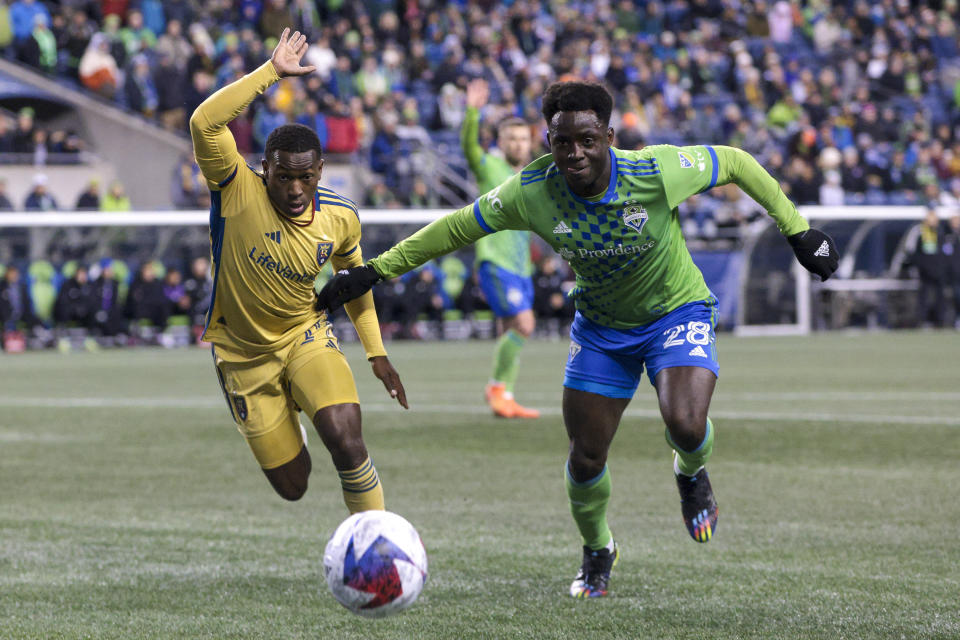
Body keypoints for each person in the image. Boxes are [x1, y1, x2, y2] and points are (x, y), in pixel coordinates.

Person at [317, 81, 839, 598]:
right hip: (602, 330)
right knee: (586, 457)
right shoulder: (531, 191)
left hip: (675, 312)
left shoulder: (655, 172)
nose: (575, 153)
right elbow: (455, 228)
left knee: (685, 422)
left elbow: (737, 162)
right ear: (549, 140)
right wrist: (374, 272)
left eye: (587, 139)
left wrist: (797, 230)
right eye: (562, 141)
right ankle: (598, 549)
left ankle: (691, 471)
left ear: (609, 136)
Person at [189, 28, 406, 511]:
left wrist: (377, 352)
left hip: (304, 335)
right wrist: (270, 73)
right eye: (283, 176)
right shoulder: (235, 186)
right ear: (264, 168)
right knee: (295, 485)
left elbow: (353, 285)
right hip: (242, 354)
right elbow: (204, 123)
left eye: (305, 177)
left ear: (321, 171)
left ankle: (379, 550)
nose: (293, 188)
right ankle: (287, 415)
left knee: (347, 440)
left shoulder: (341, 216)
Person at [461, 78, 539, 419]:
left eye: (523, 139)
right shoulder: (489, 167)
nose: (519, 144)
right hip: (495, 261)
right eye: (513, 139)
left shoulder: (533, 176)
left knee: (512, 330)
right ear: (501, 141)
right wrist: (473, 113)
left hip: (522, 267)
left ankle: (504, 394)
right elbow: (469, 149)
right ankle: (496, 389)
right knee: (525, 324)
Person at [910, 206, 946, 327]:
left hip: (939, 271)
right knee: (923, 297)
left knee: (940, 297)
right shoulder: (921, 235)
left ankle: (940, 321)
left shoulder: (941, 234)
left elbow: (943, 254)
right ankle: (921, 321)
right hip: (925, 272)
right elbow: (917, 254)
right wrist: (923, 268)